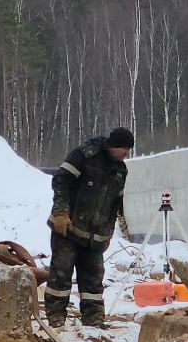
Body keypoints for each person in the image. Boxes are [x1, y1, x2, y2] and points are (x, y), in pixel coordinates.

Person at [45, 127, 133, 328]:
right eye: (125, 149)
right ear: (114, 145)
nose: (127, 154)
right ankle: (56, 318)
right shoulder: (84, 155)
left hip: (94, 235)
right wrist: (61, 212)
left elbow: (115, 204)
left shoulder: (120, 170)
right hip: (67, 229)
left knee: (93, 281)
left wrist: (108, 231)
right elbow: (61, 181)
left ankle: (94, 320)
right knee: (61, 276)